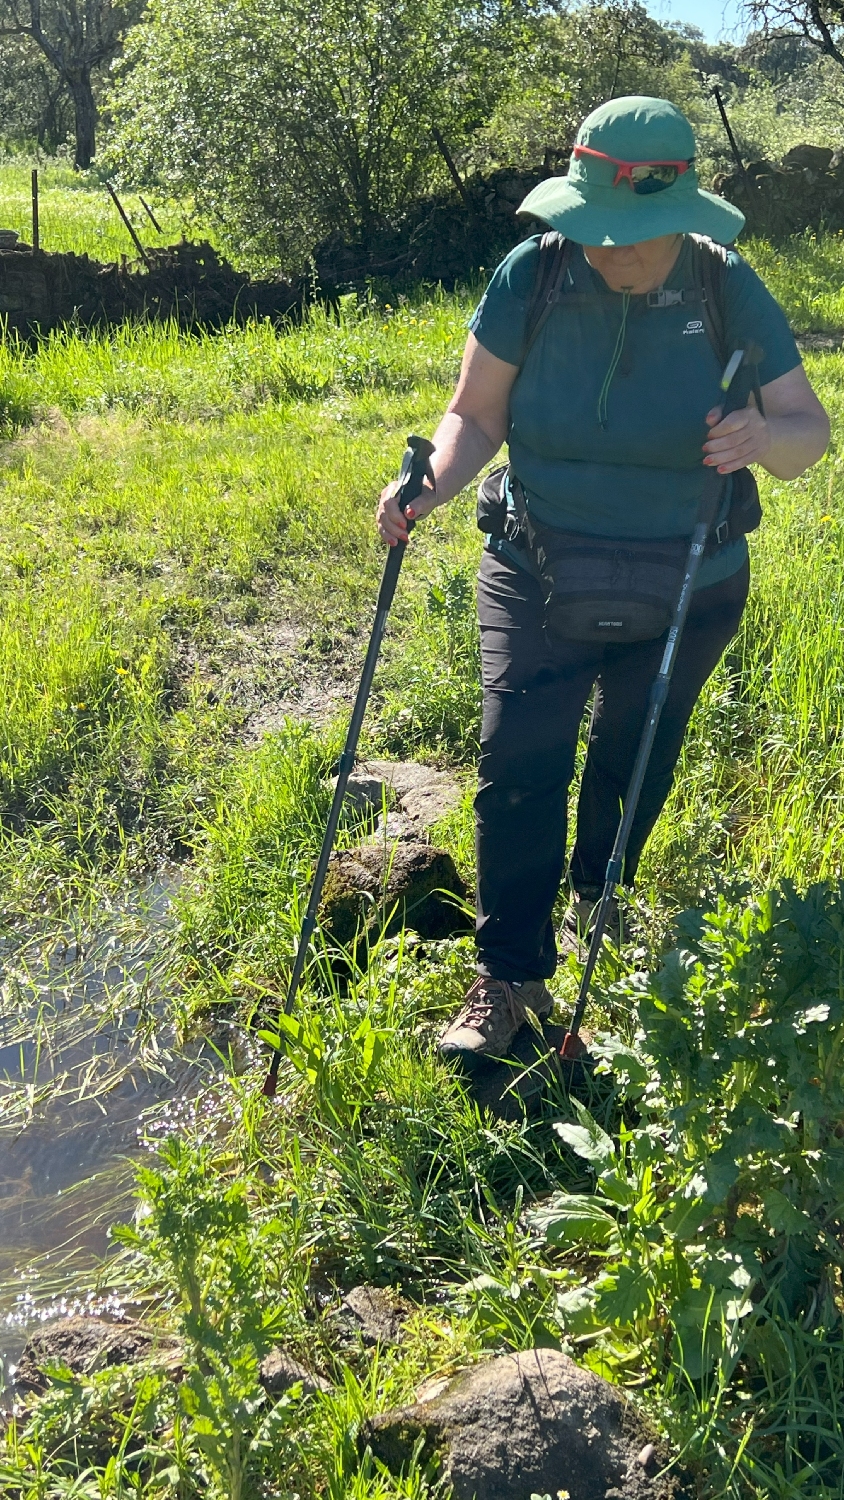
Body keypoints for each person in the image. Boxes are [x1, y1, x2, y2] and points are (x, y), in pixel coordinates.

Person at [376, 96, 830, 1065]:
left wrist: (761, 436)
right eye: (596, 227)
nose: (610, 250)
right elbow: (473, 416)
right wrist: (427, 487)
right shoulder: (530, 277)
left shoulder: (723, 288)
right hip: (535, 560)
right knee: (516, 764)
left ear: (683, 213)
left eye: (633, 233)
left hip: (687, 581)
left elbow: (808, 432)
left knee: (635, 755)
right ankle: (508, 979)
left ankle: (597, 890)